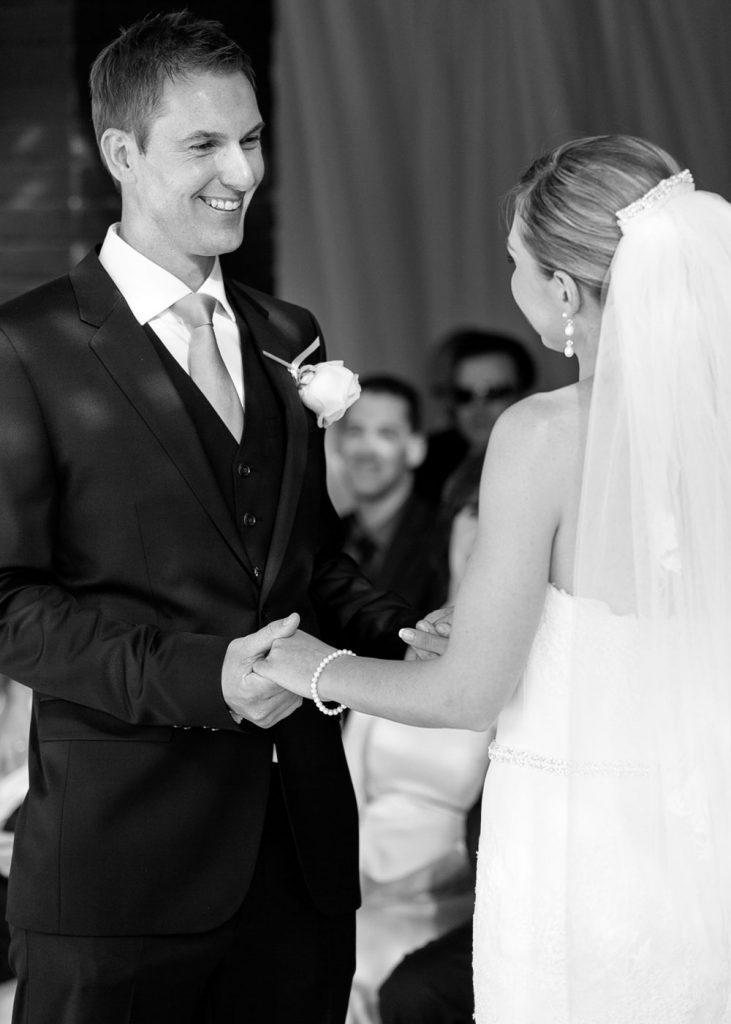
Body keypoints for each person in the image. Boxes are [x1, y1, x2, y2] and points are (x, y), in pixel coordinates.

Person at [0, 12, 437, 1024]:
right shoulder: (27, 348)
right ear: (121, 152)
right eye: (203, 144)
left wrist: (396, 625)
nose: (240, 171)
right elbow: (11, 606)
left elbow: (305, 562)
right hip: (121, 878)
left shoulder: (291, 334)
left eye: (250, 139)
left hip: (302, 861)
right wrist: (211, 676)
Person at [255, 134, 731, 1022]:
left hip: (581, 856)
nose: (508, 279)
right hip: (708, 847)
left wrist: (304, 664)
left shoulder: (544, 433)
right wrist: (505, 621)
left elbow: (466, 694)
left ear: (559, 290)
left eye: (512, 259)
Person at [339, 375, 449, 609]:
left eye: (385, 434)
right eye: (356, 431)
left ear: (415, 449)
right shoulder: (323, 538)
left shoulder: (446, 540)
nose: (366, 450)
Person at [415, 330, 535, 502]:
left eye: (494, 393)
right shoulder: (427, 462)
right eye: (463, 395)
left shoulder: (550, 457)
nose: (478, 409)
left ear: (525, 393)